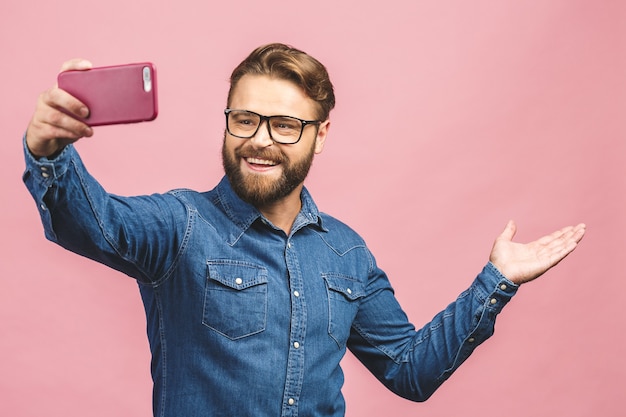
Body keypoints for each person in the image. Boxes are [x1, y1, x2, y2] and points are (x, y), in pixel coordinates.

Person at [23, 43, 585, 417]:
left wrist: (497, 280)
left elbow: (409, 371)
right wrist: (49, 153)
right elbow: (91, 223)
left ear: (321, 135)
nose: (261, 139)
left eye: (286, 124)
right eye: (245, 119)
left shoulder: (346, 252)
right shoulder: (180, 224)